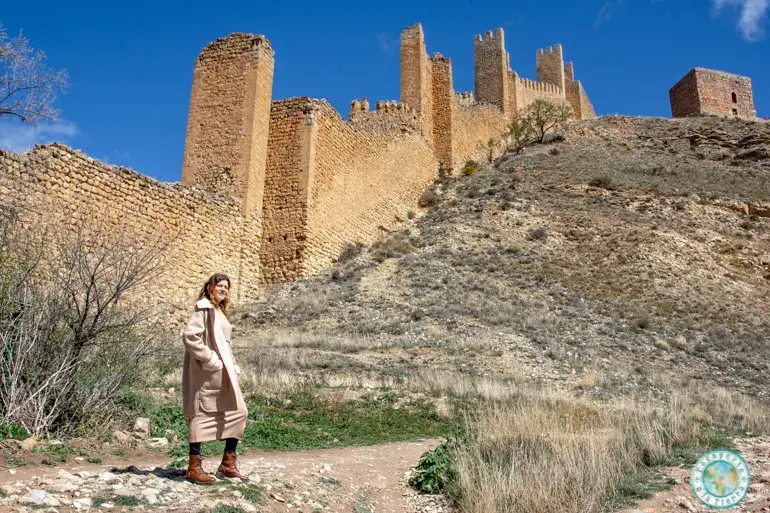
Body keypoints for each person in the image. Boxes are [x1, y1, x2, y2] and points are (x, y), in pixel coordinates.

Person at [181, 273, 249, 484]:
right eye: (220, 285)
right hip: (207, 371)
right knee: (201, 412)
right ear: (210, 287)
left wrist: (232, 363)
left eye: (227, 287)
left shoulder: (219, 311)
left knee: (238, 411)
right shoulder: (203, 308)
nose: (224, 289)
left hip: (224, 369)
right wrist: (210, 359)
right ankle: (194, 467)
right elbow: (190, 337)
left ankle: (227, 465)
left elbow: (224, 342)